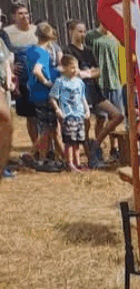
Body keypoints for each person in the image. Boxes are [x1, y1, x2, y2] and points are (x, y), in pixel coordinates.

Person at [65, 20, 121, 168]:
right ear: (71, 31)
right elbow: (71, 73)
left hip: (95, 90)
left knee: (117, 115)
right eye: (79, 31)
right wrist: (86, 73)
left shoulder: (88, 51)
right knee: (86, 124)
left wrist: (86, 73)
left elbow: (97, 71)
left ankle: (96, 143)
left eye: (84, 31)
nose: (82, 34)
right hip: (79, 93)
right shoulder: (68, 51)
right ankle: (91, 158)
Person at [84, 22, 124, 161]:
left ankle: (115, 148)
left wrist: (122, 78)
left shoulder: (116, 37)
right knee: (101, 118)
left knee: (117, 118)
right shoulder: (90, 36)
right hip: (98, 83)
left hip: (115, 82)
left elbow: (121, 59)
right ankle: (98, 147)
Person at [26, 21, 59, 170]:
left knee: (45, 127)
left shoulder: (31, 50)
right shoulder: (43, 53)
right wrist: (47, 82)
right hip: (44, 94)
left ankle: (41, 155)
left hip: (34, 93)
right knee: (48, 128)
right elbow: (37, 70)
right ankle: (40, 158)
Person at [5, 2, 37, 152]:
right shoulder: (7, 33)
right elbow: (4, 55)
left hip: (40, 79)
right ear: (13, 17)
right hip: (22, 81)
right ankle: (36, 146)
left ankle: (47, 148)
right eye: (20, 14)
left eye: (26, 13)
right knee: (31, 116)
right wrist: (10, 68)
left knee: (45, 117)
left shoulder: (37, 31)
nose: (25, 16)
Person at [49, 53, 87, 172]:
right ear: (64, 68)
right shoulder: (60, 82)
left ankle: (78, 162)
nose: (75, 70)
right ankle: (69, 163)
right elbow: (52, 97)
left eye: (76, 67)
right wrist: (57, 109)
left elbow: (82, 97)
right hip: (68, 115)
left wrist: (87, 109)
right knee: (69, 141)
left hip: (79, 114)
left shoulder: (80, 82)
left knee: (77, 140)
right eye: (72, 67)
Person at [0, 19, 14, 178]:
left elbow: (6, 63)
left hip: (3, 87)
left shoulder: (1, 42)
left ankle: (3, 167)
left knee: (5, 124)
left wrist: (9, 80)